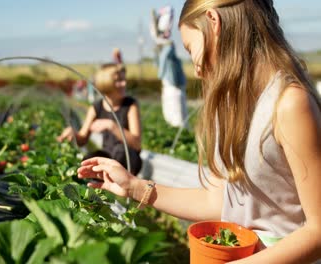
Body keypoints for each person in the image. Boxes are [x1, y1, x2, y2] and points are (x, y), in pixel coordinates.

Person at [78, 1, 321, 263]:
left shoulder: (289, 103)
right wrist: (134, 187)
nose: (194, 67)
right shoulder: (230, 106)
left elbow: (317, 232)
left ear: (213, 23)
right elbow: (215, 202)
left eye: (190, 48)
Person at [58, 63, 143, 175]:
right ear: (106, 83)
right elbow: (82, 140)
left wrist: (112, 126)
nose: (124, 83)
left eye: (124, 79)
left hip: (128, 158)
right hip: (108, 156)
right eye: (119, 80)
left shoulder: (130, 105)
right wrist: (73, 133)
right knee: (88, 162)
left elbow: (136, 143)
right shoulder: (96, 107)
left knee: (120, 151)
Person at [150, 6, 189, 128]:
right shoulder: (163, 48)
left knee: (178, 118)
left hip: (174, 86)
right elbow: (157, 64)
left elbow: (160, 68)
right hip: (169, 86)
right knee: (171, 116)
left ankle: (182, 139)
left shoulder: (168, 47)